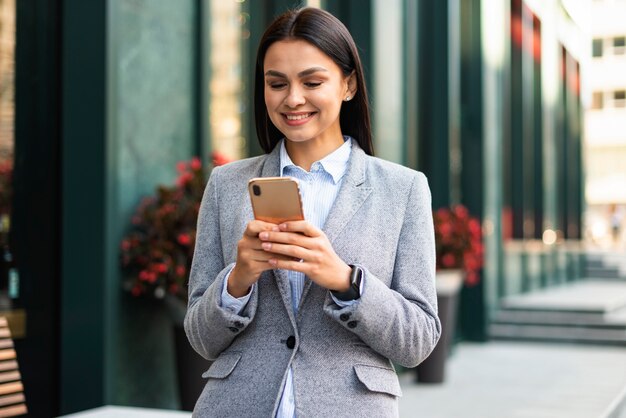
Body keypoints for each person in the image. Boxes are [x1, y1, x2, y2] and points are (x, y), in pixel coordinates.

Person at [185, 7, 440, 417]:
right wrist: (238, 279)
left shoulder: (403, 189)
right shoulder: (227, 185)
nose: (293, 99)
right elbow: (199, 337)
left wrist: (345, 280)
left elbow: (419, 340)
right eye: (277, 83)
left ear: (349, 84)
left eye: (312, 81)